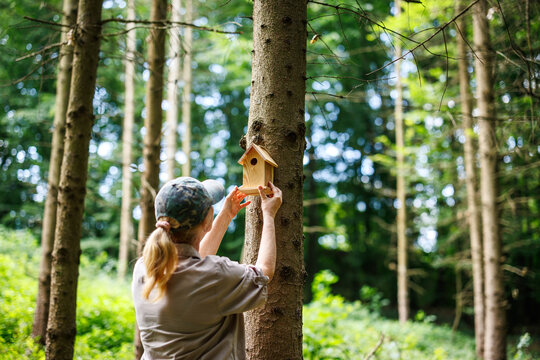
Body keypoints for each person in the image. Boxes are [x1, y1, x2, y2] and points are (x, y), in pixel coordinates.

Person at [132, 176, 282, 360]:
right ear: (208, 219)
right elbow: (264, 271)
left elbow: (195, 266)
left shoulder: (143, 268)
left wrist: (226, 215)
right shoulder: (216, 275)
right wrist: (269, 214)